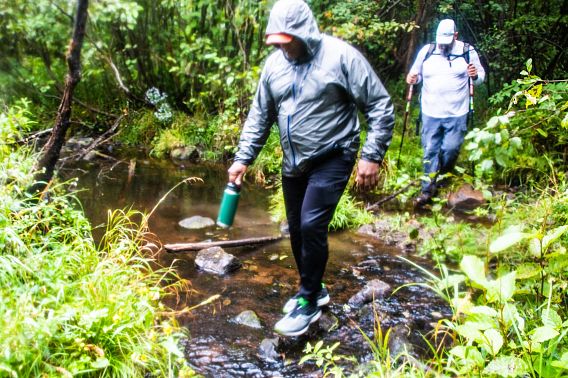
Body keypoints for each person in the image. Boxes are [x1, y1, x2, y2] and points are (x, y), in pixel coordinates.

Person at [227, 0, 394, 337]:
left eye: (286, 40)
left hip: (335, 153)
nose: (281, 47)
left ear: (303, 33)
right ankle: (315, 289)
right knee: (296, 229)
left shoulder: (341, 57)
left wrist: (372, 155)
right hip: (294, 160)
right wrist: (243, 158)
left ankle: (307, 302)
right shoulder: (274, 66)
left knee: (312, 223)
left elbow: (379, 104)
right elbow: (260, 116)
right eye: (276, 41)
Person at [406, 18, 485, 207]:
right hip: (430, 111)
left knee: (450, 149)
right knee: (430, 150)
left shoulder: (467, 51)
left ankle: (442, 176)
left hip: (457, 112)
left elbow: (480, 77)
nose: (443, 45)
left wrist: (474, 75)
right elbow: (415, 76)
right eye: (440, 40)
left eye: (447, 41)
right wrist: (412, 78)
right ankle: (427, 191)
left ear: (455, 36)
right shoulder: (427, 51)